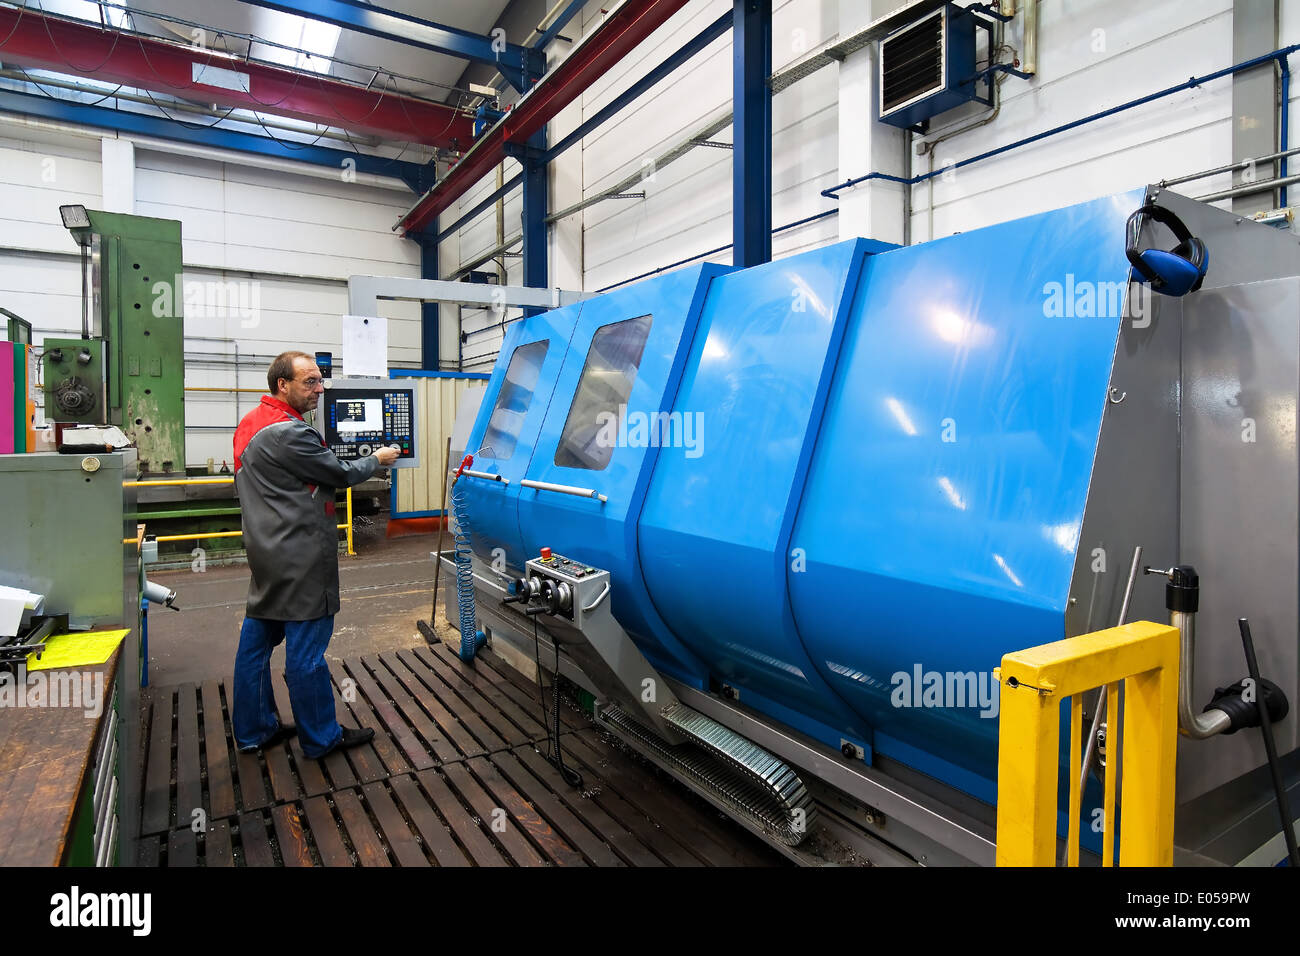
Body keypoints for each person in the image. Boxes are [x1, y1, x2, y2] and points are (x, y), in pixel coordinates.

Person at [230, 351, 399, 759]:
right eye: (309, 381)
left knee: (254, 648)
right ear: (281, 385)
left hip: (267, 555)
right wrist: (377, 459)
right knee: (305, 655)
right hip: (301, 558)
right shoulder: (289, 433)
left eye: (320, 381)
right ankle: (321, 738)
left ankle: (254, 730)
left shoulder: (251, 423)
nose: (319, 389)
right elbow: (338, 475)